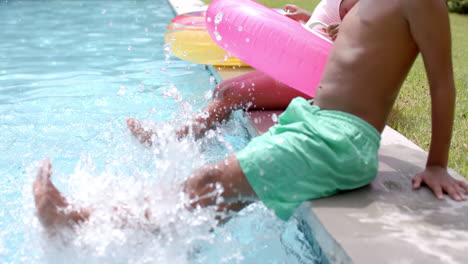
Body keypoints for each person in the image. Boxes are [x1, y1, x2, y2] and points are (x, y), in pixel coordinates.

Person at [34, 0, 468, 233]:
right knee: (215, 200)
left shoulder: (420, 0)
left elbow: (442, 83)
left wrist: (435, 164)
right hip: (313, 120)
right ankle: (132, 235)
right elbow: (353, 59)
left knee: (205, 184)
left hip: (341, 140)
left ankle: (77, 220)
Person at [127, 0, 358, 145]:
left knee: (231, 93)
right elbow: (330, 28)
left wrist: (347, 36)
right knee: (222, 89)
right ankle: (197, 138)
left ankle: (175, 139)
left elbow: (367, 51)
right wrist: (307, 19)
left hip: (319, 77)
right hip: (307, 66)